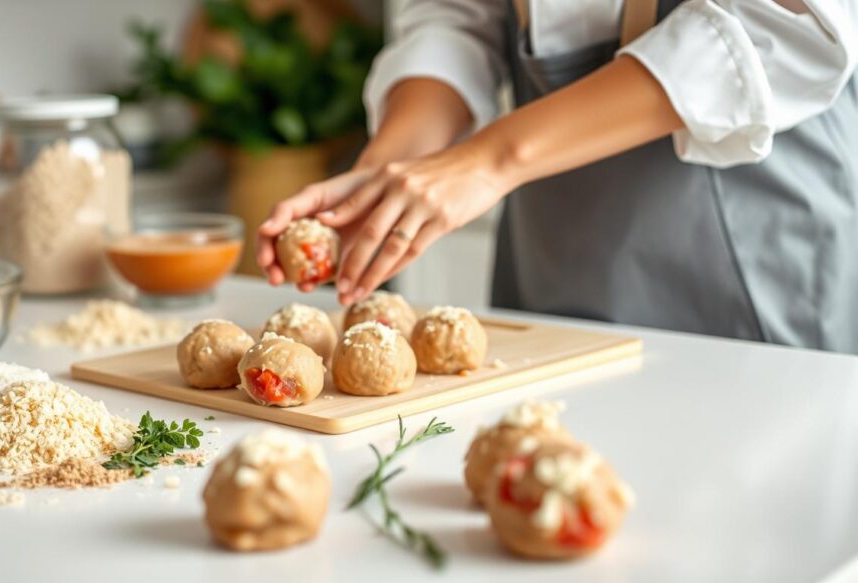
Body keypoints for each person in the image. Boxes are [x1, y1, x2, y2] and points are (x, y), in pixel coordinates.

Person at [256, 0, 858, 352]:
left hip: (753, 243)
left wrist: (489, 161)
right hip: (553, 257)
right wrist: (392, 167)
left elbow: (785, 24)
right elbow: (457, 14)